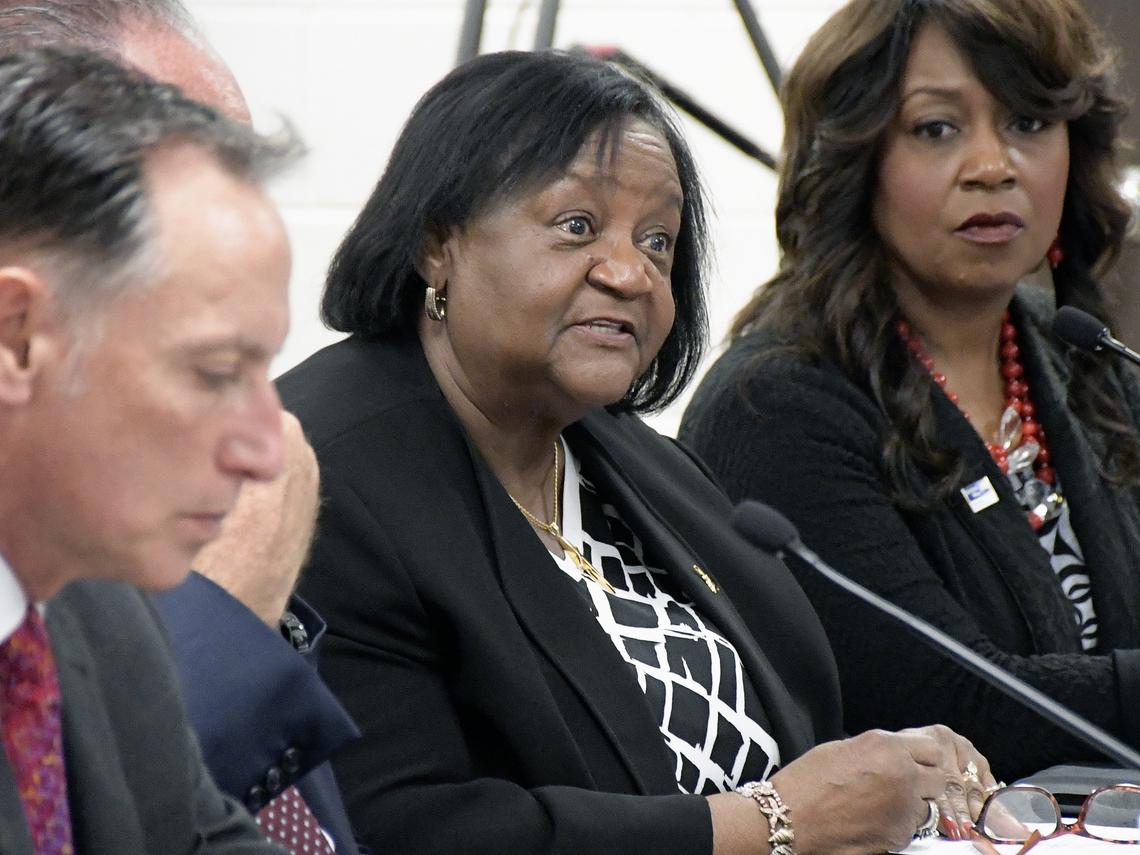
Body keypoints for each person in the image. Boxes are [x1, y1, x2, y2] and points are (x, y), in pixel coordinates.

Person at [280, 49, 998, 855]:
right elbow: (404, 828)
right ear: (437, 243)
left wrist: (906, 776)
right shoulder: (326, 475)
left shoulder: (638, 463)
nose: (631, 273)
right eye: (577, 226)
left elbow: (800, 734)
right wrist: (773, 825)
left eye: (658, 241)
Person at [679, 0, 1140, 781]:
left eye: (1029, 123)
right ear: (856, 158)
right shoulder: (776, 405)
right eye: (937, 128)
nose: (993, 165)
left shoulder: (1084, 357)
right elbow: (945, 702)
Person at [0, 5, 365, 849]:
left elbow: (200, 836)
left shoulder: (84, 590)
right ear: (17, 335)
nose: (268, 448)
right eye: (212, 373)